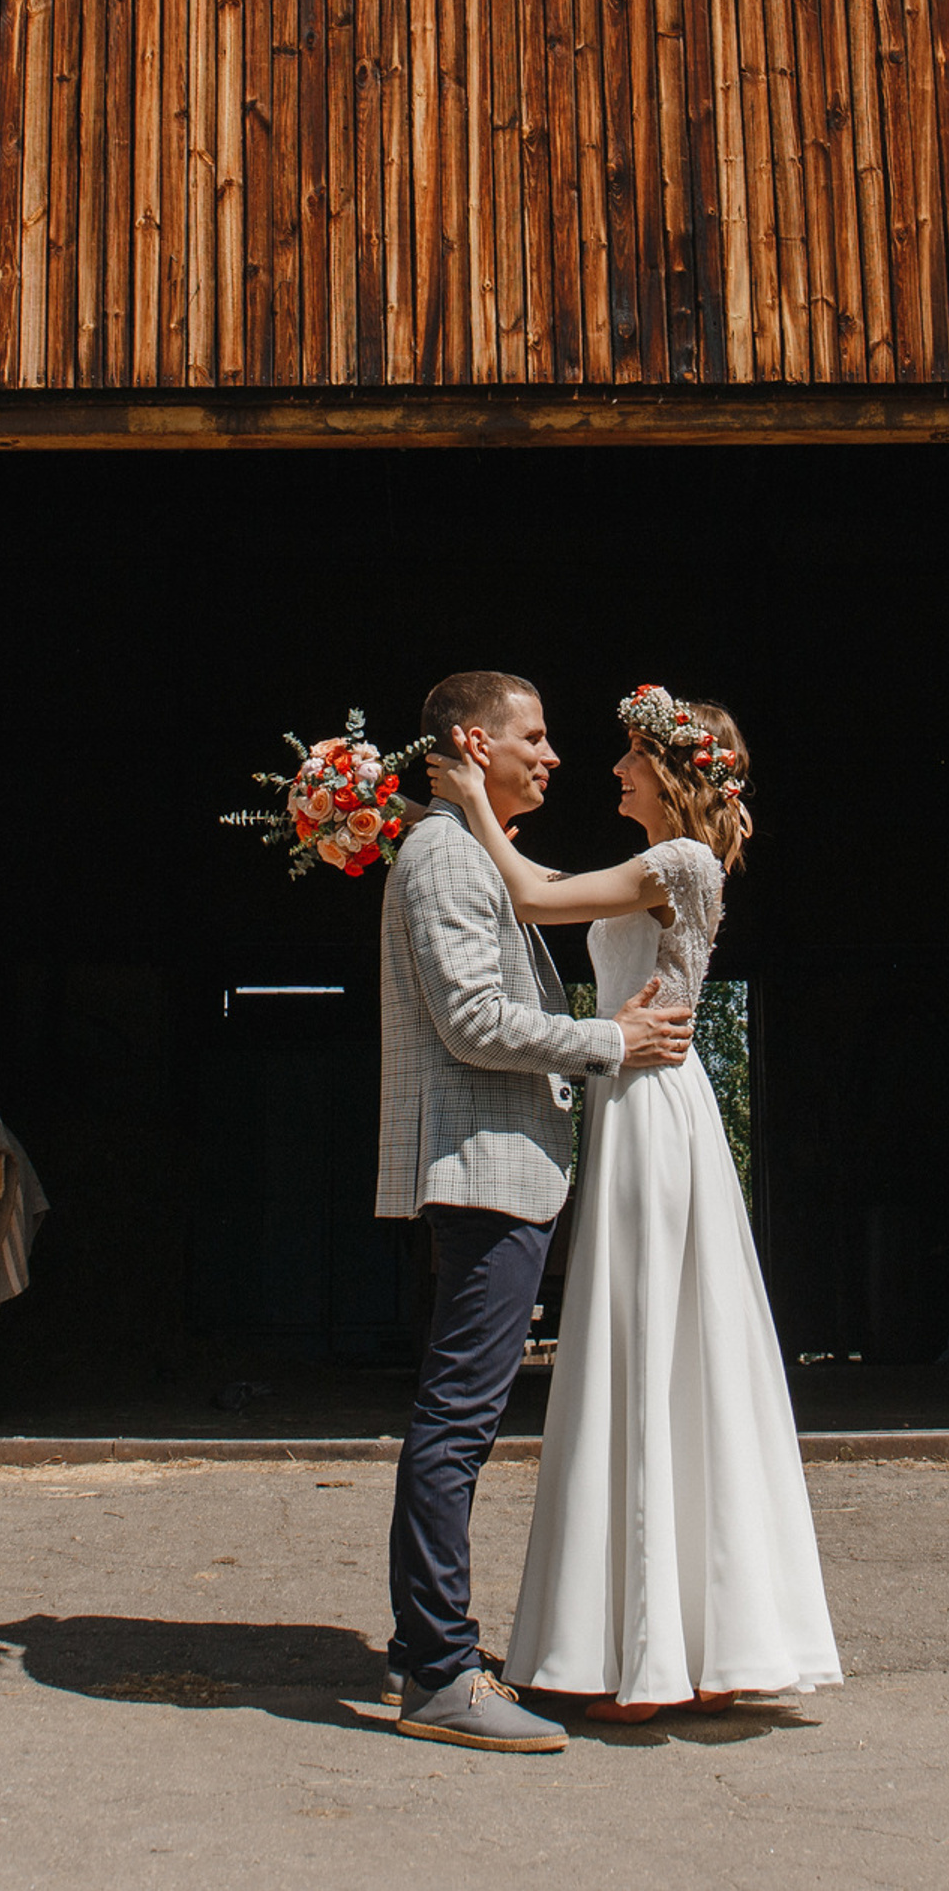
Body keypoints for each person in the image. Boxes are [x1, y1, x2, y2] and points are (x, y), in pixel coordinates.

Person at [431, 684, 841, 1720]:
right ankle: (686, 1647)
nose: (611, 770)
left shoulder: (682, 862)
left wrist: (472, 797)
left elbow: (530, 897)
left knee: (646, 1344)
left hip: (652, 1103)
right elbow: (546, 884)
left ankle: (650, 1660)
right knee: (653, 1345)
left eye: (628, 757)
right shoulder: (655, 865)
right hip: (636, 1096)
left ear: (670, 772)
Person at [376, 669, 697, 1753]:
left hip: (504, 1167)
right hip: (483, 1169)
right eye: (536, 735)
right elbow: (473, 1021)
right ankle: (438, 1672)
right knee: (458, 1420)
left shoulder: (472, 850)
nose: (555, 755)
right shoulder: (441, 856)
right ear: (477, 742)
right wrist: (612, 1040)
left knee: (458, 1415)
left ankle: (423, 1648)